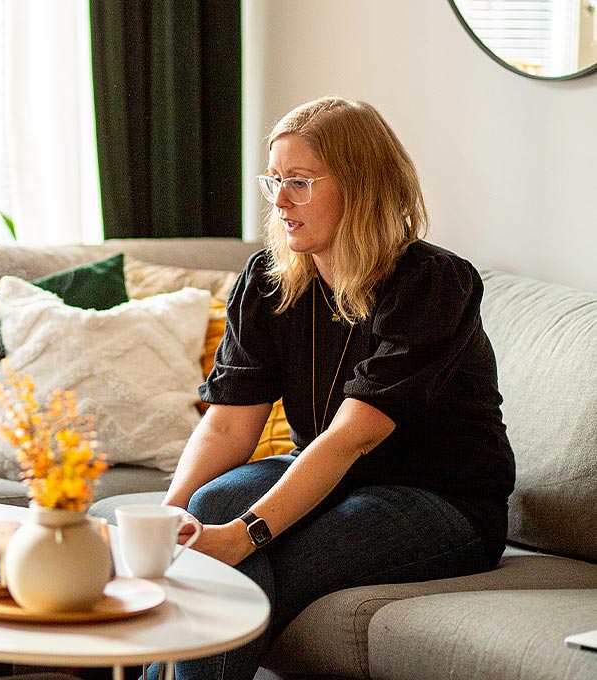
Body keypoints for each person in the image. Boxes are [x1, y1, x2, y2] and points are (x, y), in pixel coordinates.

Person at [149, 97, 515, 680]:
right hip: (325, 472)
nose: (281, 202)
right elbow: (227, 422)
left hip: (439, 498)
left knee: (248, 564)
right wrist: (163, 521)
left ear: (362, 186)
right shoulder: (268, 281)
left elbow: (351, 438)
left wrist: (244, 536)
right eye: (275, 181)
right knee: (207, 506)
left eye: (299, 182)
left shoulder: (432, 282)